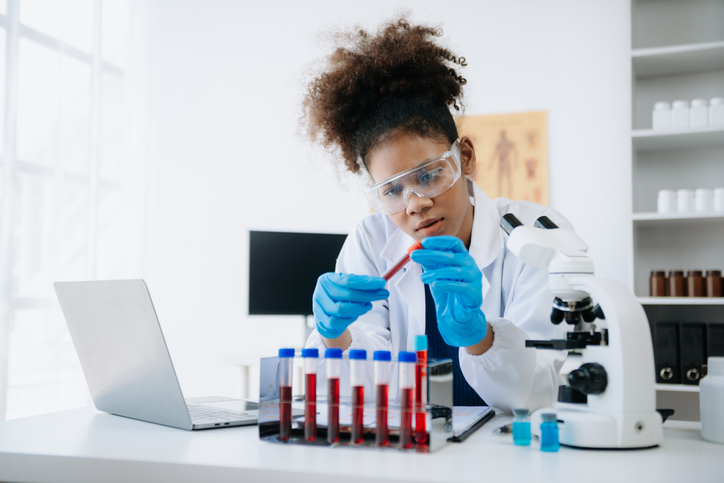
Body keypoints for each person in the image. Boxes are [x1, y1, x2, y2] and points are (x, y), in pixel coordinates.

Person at [301, 18, 568, 411]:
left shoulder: (536, 235)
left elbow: (539, 391)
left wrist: (480, 337)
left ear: (465, 157)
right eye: (391, 190)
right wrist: (335, 336)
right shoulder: (372, 241)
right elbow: (354, 395)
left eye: (428, 175)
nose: (414, 203)